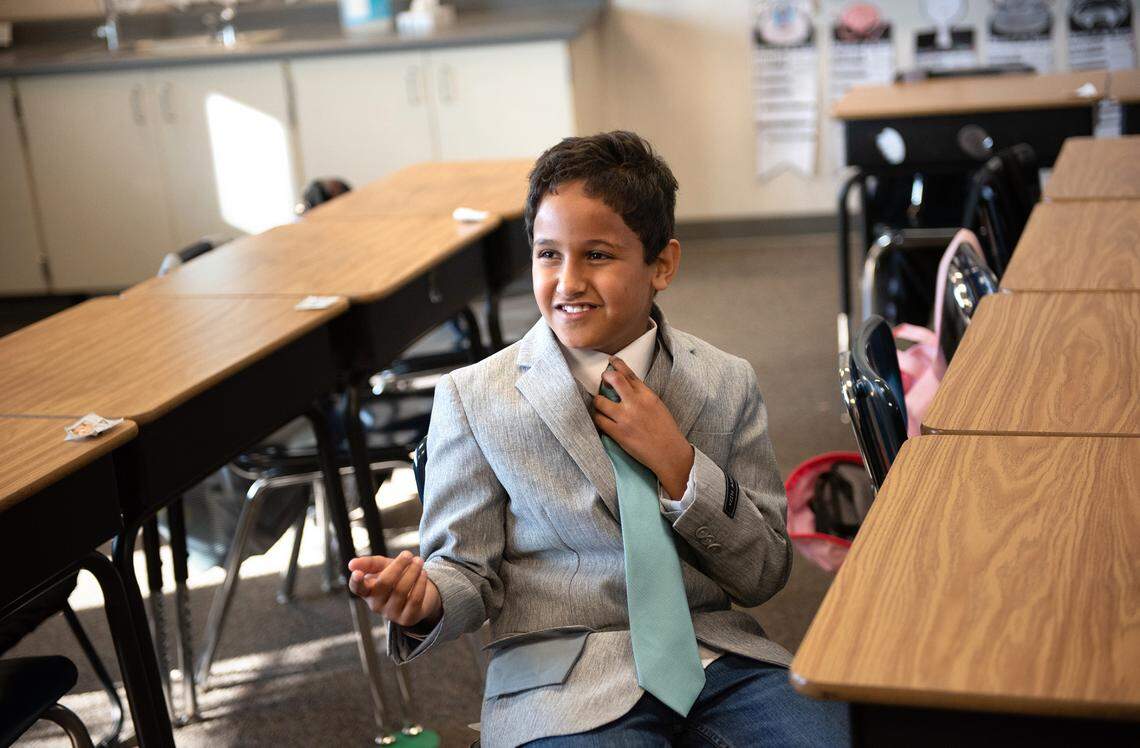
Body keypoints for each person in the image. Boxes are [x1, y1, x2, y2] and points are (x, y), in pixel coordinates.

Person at [348, 131, 849, 746]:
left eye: (599, 256)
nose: (568, 282)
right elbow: (465, 572)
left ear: (661, 264)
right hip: (559, 682)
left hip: (715, 659)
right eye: (548, 254)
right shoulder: (475, 396)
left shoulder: (724, 381)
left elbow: (765, 572)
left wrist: (679, 464)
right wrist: (424, 598)